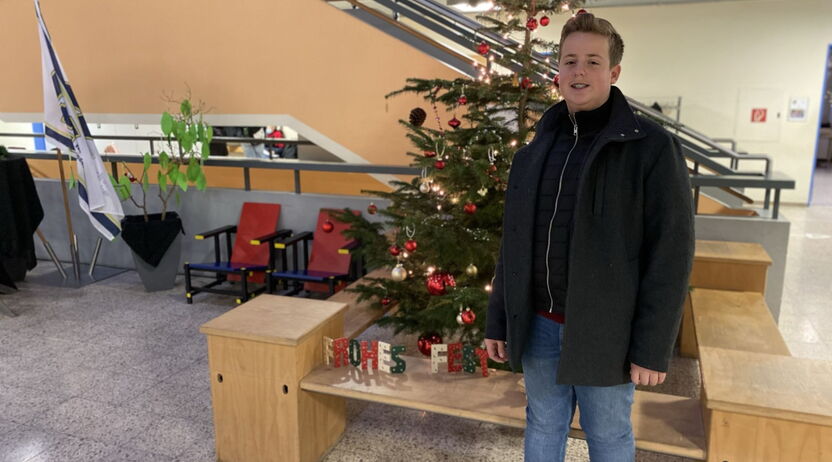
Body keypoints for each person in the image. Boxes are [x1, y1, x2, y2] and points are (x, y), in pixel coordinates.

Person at [484, 12, 694, 462]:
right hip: (539, 324)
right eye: (570, 61)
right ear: (558, 71)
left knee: (608, 432)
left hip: (607, 331)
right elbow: (513, 244)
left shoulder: (652, 149)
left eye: (593, 62)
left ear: (613, 72)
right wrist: (499, 319)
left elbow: (671, 255)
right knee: (543, 422)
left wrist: (652, 348)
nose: (579, 71)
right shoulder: (534, 151)